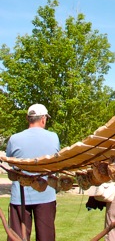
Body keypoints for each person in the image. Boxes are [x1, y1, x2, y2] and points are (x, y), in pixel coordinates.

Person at [6, 103, 60, 241]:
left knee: (17, 237)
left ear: (27, 118)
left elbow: (10, 163)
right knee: (46, 238)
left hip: (20, 196)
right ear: (43, 119)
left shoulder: (14, 138)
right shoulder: (53, 137)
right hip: (46, 196)